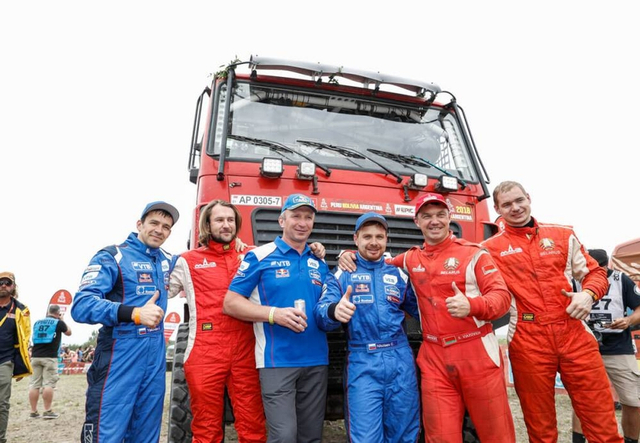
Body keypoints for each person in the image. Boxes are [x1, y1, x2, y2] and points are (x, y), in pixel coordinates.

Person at [482, 181, 622, 442]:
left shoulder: (562, 234)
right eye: (507, 204)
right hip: (527, 338)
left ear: (529, 198)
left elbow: (595, 272)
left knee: (602, 421)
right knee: (540, 428)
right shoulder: (489, 249)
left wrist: (588, 295)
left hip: (573, 331)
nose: (515, 208)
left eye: (519, 200)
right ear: (497, 209)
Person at [223, 193, 330, 443]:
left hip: (317, 360)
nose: (302, 223)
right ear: (282, 220)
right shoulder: (259, 256)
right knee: (284, 436)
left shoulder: (318, 261)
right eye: (296, 216)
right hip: (276, 361)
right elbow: (230, 303)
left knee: (311, 437)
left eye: (308, 217)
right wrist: (274, 314)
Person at [71, 201, 179, 443]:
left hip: (155, 357)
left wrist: (236, 245)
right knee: (105, 434)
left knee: (146, 434)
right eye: (154, 223)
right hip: (119, 354)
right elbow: (81, 306)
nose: (159, 230)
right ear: (139, 224)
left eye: (166, 227)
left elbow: (204, 260)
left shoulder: (169, 260)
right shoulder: (113, 256)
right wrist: (134, 313)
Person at [314, 212, 421, 442]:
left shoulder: (399, 273)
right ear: (356, 239)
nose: (374, 242)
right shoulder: (342, 274)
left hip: (400, 360)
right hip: (363, 362)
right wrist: (334, 311)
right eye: (367, 236)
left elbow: (424, 310)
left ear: (386, 240)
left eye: (379, 237)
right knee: (366, 437)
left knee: (405, 435)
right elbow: (321, 312)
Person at [169, 199, 267, 442]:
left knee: (253, 426)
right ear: (207, 225)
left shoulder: (253, 255)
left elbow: (291, 261)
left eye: (231, 220)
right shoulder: (186, 261)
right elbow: (159, 289)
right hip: (204, 351)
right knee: (206, 428)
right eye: (220, 220)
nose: (226, 225)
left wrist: (317, 248)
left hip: (246, 350)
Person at [571, 249, 640, 443]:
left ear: (606, 265)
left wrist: (628, 320)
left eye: (599, 269)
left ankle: (631, 440)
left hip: (618, 348)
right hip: (584, 346)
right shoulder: (576, 281)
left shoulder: (620, 279)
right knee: (582, 400)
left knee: (632, 400)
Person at [0, 271, 31, 443]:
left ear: (13, 286)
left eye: (7, 282)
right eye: (0, 283)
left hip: (5, 361)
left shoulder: (21, 310)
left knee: (2, 403)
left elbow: (24, 338)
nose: (3, 285)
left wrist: (21, 365)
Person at [28, 304, 71, 419]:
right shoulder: (58, 323)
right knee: (49, 384)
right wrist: (62, 320)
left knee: (34, 384)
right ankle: (47, 411)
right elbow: (69, 332)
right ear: (58, 313)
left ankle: (33, 411)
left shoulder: (38, 322)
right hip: (50, 357)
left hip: (35, 356)